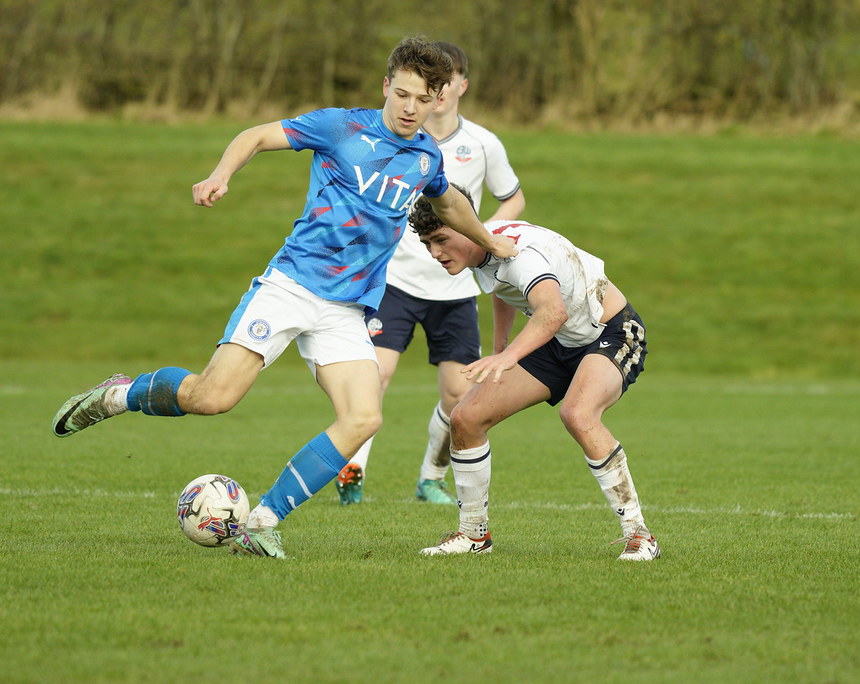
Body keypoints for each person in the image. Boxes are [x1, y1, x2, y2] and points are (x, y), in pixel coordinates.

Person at [50, 36, 517, 560]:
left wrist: (490, 241)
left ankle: (263, 520)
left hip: (346, 309)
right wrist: (219, 175)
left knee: (363, 418)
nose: (411, 108)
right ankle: (120, 394)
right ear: (386, 87)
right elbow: (256, 135)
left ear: (438, 100)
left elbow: (449, 202)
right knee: (212, 398)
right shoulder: (341, 126)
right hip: (291, 286)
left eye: (422, 99)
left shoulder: (425, 156)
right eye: (402, 94)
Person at [410, 186, 660, 561]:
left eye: (441, 240)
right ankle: (473, 534)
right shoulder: (486, 247)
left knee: (578, 414)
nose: (435, 253)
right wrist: (500, 346)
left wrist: (509, 356)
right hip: (555, 339)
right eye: (428, 244)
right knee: (465, 418)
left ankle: (640, 535)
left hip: (608, 332)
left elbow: (551, 310)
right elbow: (502, 288)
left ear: (464, 226)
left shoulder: (519, 255)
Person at [334, 41, 526, 506]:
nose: (437, 92)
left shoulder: (483, 143)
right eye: (429, 85)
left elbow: (513, 197)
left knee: (458, 394)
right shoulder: (398, 139)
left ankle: (430, 478)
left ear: (460, 86)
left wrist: (483, 236)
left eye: (447, 81)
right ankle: (352, 471)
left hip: (456, 288)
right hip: (394, 283)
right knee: (374, 376)